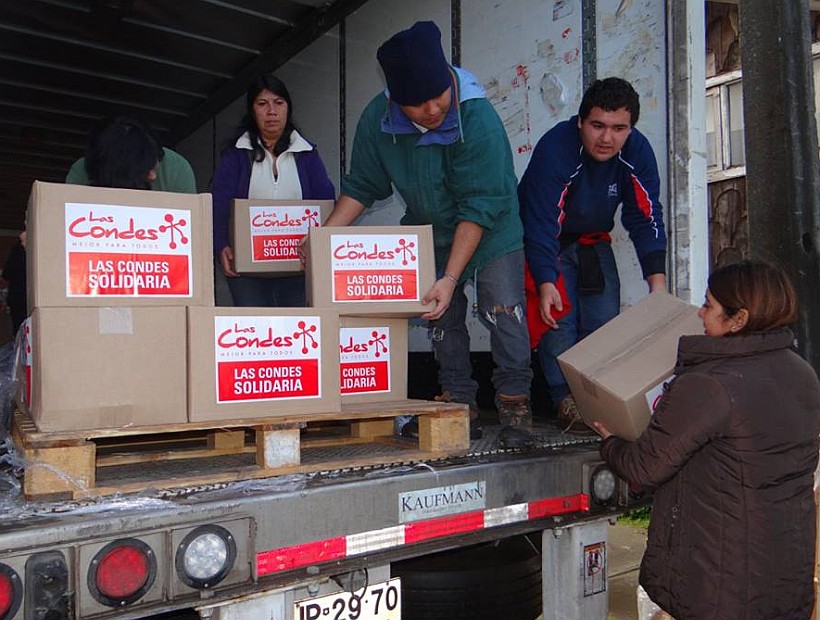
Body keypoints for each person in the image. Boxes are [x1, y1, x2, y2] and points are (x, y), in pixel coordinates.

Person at [314, 21, 533, 447]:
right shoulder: (377, 121)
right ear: (395, 100)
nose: (432, 110)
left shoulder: (477, 118)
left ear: (449, 79)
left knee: (503, 309)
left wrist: (451, 278)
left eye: (438, 96)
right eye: (417, 104)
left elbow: (479, 208)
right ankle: (458, 405)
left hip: (490, 228)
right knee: (440, 317)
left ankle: (515, 406)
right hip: (430, 230)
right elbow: (362, 186)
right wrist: (321, 244)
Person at [596, 260, 820, 620]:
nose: (700, 313)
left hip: (723, 580)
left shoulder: (709, 384)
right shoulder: (802, 373)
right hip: (783, 571)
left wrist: (610, 441)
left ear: (739, 319)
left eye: (709, 305)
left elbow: (644, 468)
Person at [518, 77, 667, 434]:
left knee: (604, 323)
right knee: (559, 319)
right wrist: (545, 280)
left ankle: (599, 403)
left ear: (630, 128)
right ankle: (563, 400)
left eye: (619, 128)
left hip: (593, 240)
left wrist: (658, 287)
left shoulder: (636, 152)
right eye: (598, 125)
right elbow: (540, 221)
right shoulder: (557, 148)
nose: (607, 138)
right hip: (545, 240)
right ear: (581, 121)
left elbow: (646, 216)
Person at [212, 73, 335, 307]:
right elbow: (218, 205)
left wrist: (321, 249)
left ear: (288, 108)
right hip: (247, 273)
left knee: (297, 334)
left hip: (299, 268)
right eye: (262, 104)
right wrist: (220, 245)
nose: (271, 111)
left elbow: (327, 204)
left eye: (279, 103)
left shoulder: (307, 154)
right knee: (255, 334)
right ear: (252, 110)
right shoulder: (236, 154)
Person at [66, 115, 196, 193]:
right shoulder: (81, 173)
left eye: (155, 160)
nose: (153, 175)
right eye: (144, 167)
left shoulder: (176, 168)